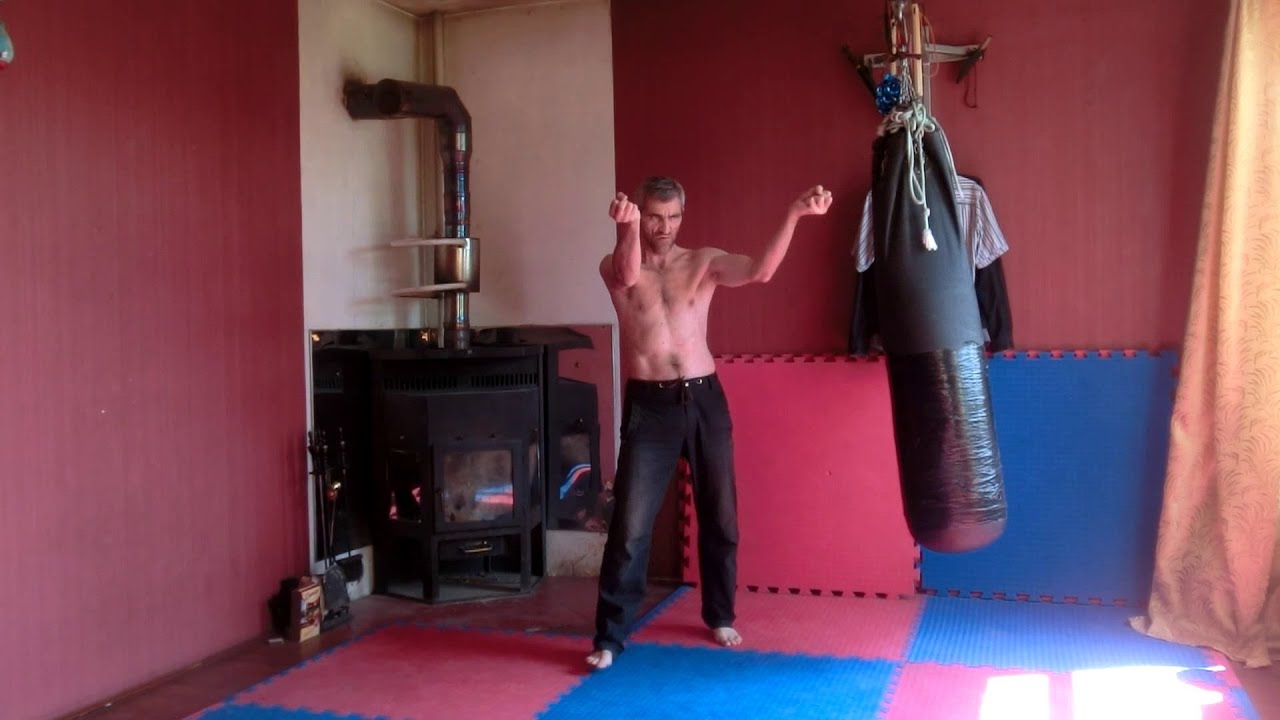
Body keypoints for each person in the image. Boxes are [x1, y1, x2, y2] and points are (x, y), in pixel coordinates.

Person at [587, 176, 833, 670]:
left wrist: (793, 213)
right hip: (650, 407)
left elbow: (761, 271)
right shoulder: (615, 263)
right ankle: (610, 638)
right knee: (631, 527)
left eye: (673, 217)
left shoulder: (703, 262)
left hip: (704, 399)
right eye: (654, 217)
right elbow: (628, 275)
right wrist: (626, 229)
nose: (665, 227)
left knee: (720, 516)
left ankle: (719, 614)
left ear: (683, 215)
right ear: (641, 214)